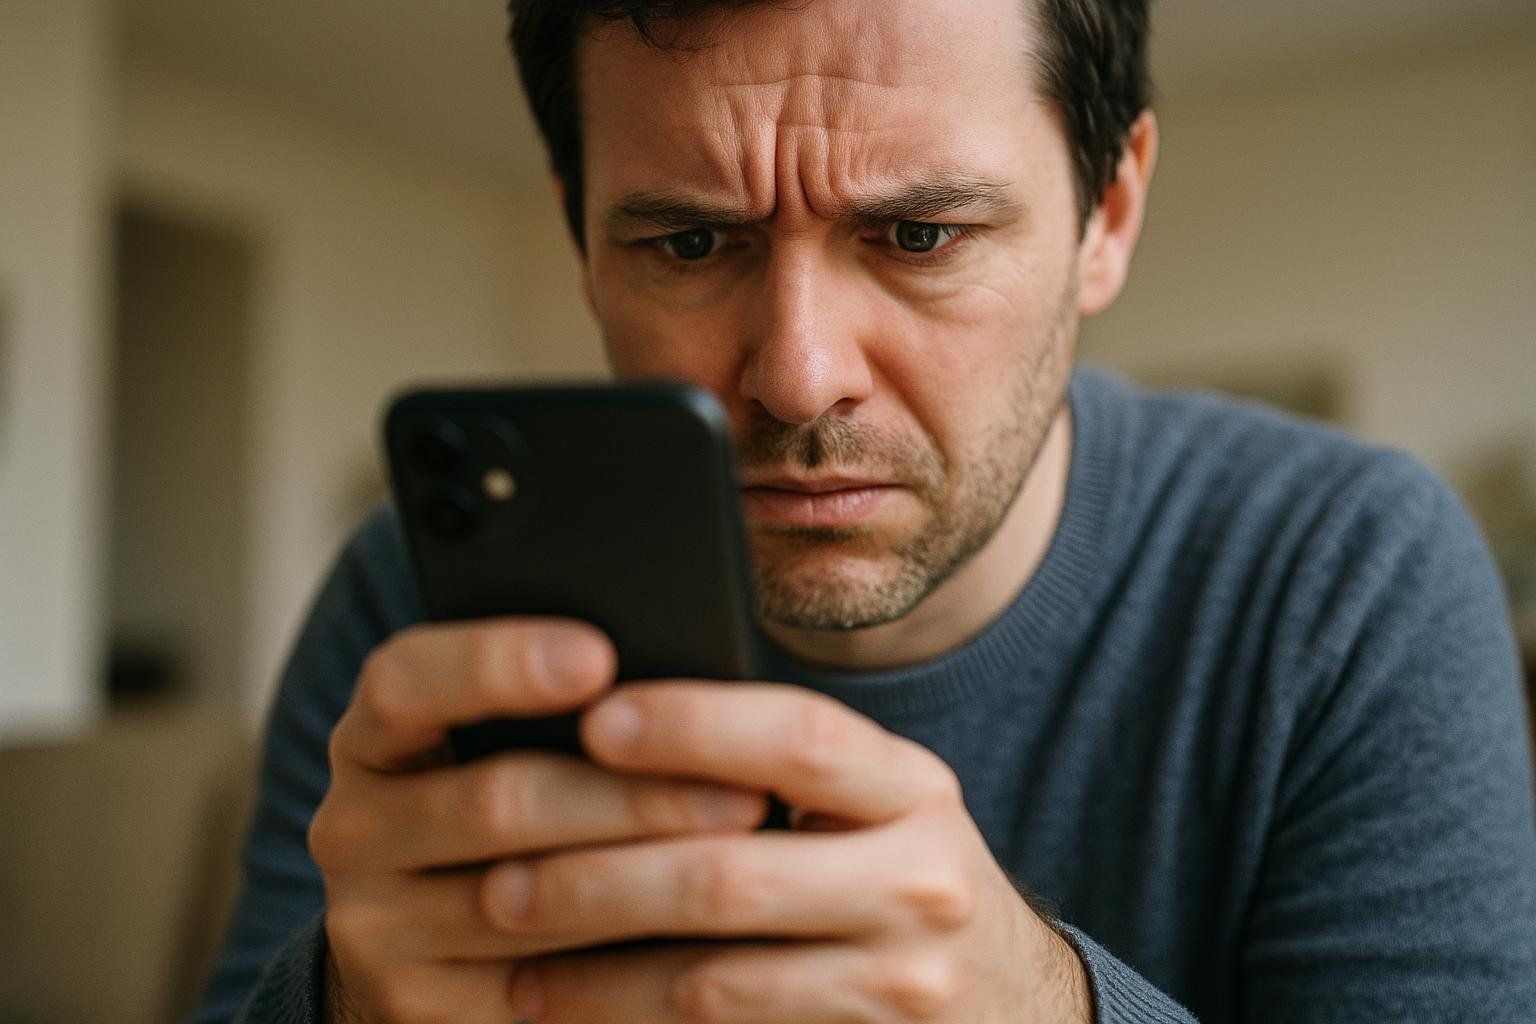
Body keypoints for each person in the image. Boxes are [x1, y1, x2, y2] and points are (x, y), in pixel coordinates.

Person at [189, 1, 1536, 1021]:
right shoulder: (416, 591)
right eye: (692, 243)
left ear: (1106, 215)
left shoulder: (1348, 572)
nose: (796, 373)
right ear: (580, 240)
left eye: (919, 238)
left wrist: (1052, 1006)